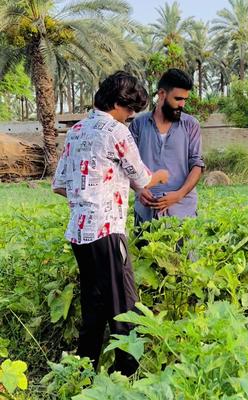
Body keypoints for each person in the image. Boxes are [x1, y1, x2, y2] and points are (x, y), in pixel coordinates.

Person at [52, 71, 169, 375]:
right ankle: (126, 377)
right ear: (119, 103)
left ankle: (84, 373)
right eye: (130, 111)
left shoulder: (76, 131)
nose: (130, 117)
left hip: (80, 233)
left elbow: (61, 184)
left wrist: (105, 189)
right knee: (124, 310)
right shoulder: (116, 131)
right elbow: (143, 176)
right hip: (107, 232)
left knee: (94, 306)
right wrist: (160, 177)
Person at [129, 68, 205, 228]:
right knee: (146, 253)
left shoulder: (191, 125)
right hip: (145, 213)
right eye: (178, 98)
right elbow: (128, 166)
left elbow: (197, 164)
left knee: (183, 253)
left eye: (185, 99)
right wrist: (139, 189)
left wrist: (179, 195)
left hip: (183, 213)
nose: (182, 104)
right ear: (162, 94)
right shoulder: (137, 125)